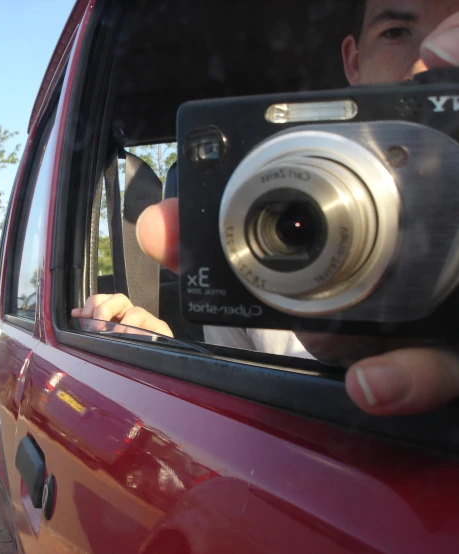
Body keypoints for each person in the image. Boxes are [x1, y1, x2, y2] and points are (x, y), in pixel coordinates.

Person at [72, 0, 459, 417]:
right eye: (398, 33)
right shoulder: (242, 240)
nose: (431, 60)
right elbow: (230, 416)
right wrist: (170, 352)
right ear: (354, 59)